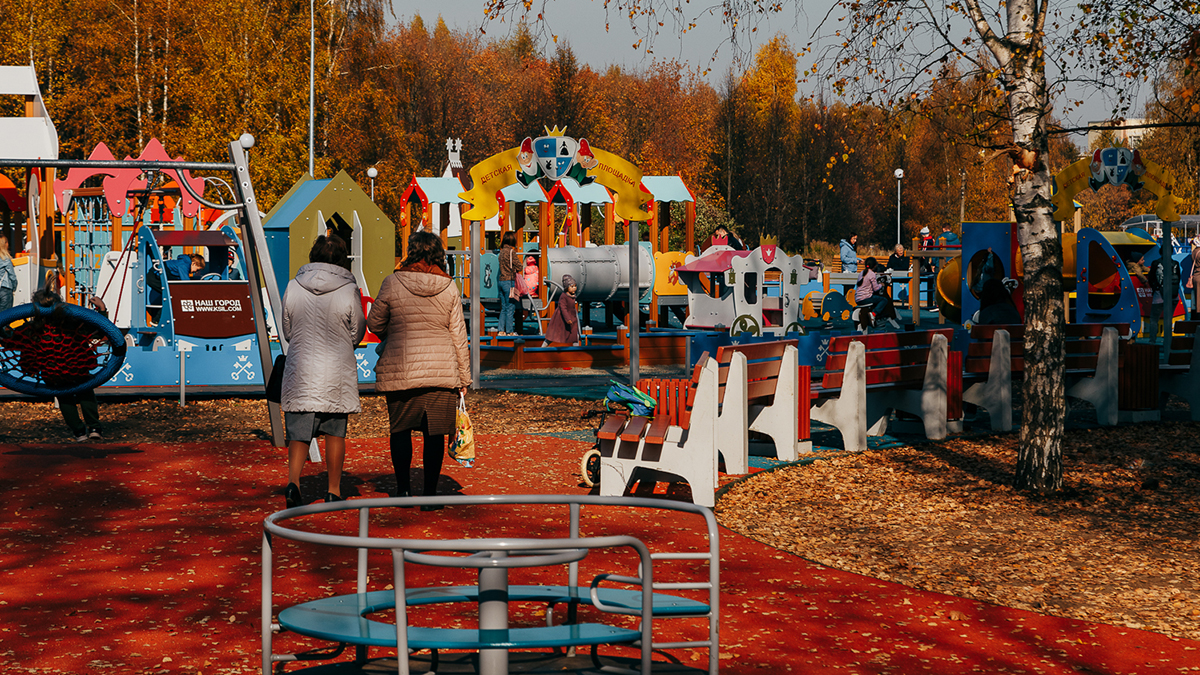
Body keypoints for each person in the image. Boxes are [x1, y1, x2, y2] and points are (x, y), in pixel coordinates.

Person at [368, 231, 470, 509]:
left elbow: (375, 323)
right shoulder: (449, 287)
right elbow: (459, 335)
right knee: (434, 434)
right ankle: (429, 494)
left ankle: (402, 491)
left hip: (401, 368)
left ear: (411, 252)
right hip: (440, 370)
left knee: (400, 430)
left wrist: (395, 326)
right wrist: (464, 377)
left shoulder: (392, 282)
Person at [280, 234, 367, 507]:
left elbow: (287, 329)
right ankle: (333, 489)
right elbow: (357, 332)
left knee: (299, 430)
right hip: (336, 370)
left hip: (302, 367)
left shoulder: (294, 286)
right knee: (335, 430)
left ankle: (294, 482)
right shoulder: (348, 289)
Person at [29, 277, 108, 441]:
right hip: (77, 368)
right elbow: (99, 331)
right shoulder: (72, 323)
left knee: (64, 398)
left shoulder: (34, 329)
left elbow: (14, 339)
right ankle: (94, 428)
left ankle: (79, 432)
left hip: (53, 373)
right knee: (86, 393)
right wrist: (102, 310)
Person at [855, 257, 900, 330]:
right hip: (866, 298)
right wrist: (881, 285)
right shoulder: (872, 274)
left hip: (857, 298)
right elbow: (876, 288)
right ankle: (874, 314)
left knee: (876, 299)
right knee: (884, 300)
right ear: (874, 266)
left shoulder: (861, 273)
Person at [543, 274, 580, 346]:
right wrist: (567, 318)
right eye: (572, 286)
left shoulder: (572, 296)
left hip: (571, 317)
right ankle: (543, 347)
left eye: (575, 286)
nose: (574, 288)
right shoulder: (564, 296)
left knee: (574, 334)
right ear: (567, 288)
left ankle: (576, 349)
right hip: (561, 318)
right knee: (554, 334)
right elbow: (563, 308)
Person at [496, 231, 520, 336]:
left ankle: (501, 330)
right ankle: (509, 331)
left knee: (504, 307)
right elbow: (519, 266)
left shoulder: (501, 252)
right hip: (509, 282)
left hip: (501, 281)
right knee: (510, 307)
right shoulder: (511, 252)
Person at [0, 233, 16, 312]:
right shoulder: (6, 259)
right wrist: (14, 287)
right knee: (5, 317)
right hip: (5, 289)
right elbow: (12, 276)